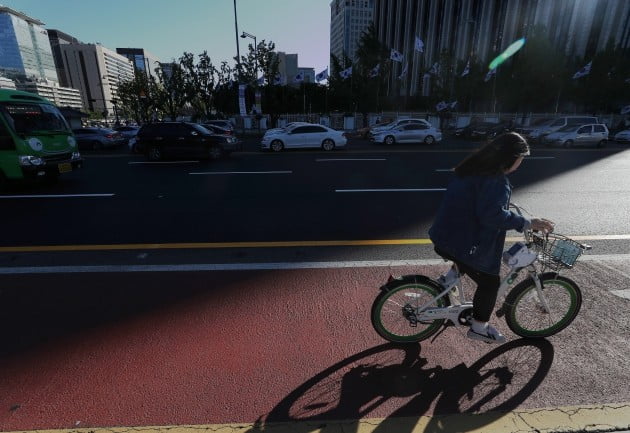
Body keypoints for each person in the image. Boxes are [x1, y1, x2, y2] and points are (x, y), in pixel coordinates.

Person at [428, 132, 554, 344]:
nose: (521, 163)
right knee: (489, 283)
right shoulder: (495, 181)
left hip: (444, 234)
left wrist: (509, 211)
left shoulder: (472, 168)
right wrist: (527, 223)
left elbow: (480, 203)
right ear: (511, 158)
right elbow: (491, 216)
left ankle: (445, 284)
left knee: (466, 262)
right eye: (521, 158)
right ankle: (479, 328)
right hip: (461, 241)